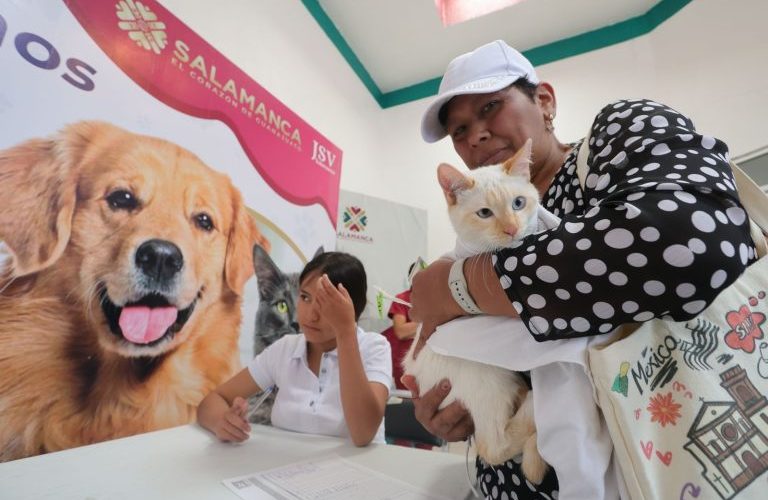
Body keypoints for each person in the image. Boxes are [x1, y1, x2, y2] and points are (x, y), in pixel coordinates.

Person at [404, 40, 757, 499]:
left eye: (491, 106)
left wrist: (456, 287)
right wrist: (458, 403)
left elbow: (687, 242)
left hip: (663, 466)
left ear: (544, 102)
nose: (475, 136)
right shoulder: (479, 226)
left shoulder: (619, 134)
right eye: (459, 130)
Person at [198, 252, 392, 446]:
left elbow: (363, 434)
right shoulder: (286, 348)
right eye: (306, 298)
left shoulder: (374, 347)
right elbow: (213, 400)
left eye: (326, 304)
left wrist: (346, 332)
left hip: (357, 471)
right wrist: (222, 422)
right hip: (288, 469)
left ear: (353, 309)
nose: (310, 316)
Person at [381, 263, 419, 390]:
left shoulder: (433, 300)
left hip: (424, 360)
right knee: (407, 401)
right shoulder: (402, 298)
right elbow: (401, 331)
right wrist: (430, 320)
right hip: (404, 361)